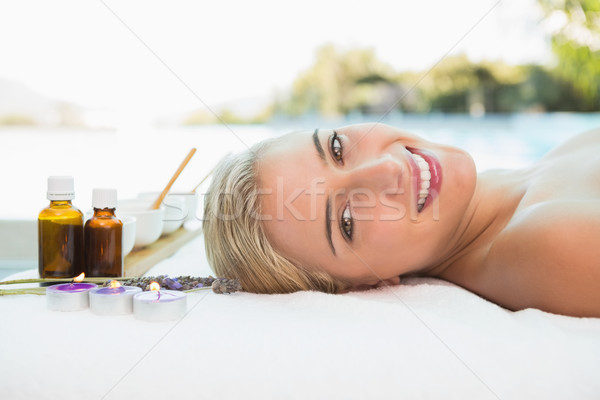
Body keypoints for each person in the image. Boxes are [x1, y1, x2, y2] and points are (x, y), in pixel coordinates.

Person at [203, 123, 600, 318]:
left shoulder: (523, 185)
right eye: (346, 221)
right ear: (365, 286)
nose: (387, 168)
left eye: (337, 148)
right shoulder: (548, 244)